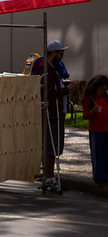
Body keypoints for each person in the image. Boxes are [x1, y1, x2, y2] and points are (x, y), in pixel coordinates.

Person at [31, 39, 72, 193]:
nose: (62, 56)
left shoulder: (51, 67)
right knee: (51, 146)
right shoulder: (46, 68)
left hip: (55, 110)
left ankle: (50, 177)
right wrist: (68, 88)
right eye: (61, 53)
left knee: (52, 146)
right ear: (54, 53)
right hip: (52, 111)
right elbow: (50, 94)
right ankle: (49, 178)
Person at [82, 74, 108, 184]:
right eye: (101, 89)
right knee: (97, 153)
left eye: (104, 89)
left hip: (106, 129)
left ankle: (106, 174)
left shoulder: (105, 97)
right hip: (96, 130)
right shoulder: (90, 99)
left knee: (106, 153)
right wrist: (92, 111)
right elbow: (85, 115)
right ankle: (98, 175)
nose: (102, 91)